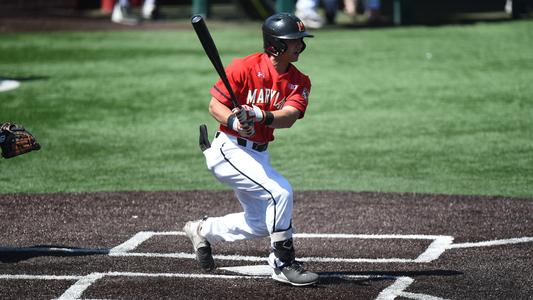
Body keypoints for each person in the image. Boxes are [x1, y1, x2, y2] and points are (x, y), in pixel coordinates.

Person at [183, 13, 319, 286]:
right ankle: (283, 263)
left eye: (300, 41)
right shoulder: (243, 67)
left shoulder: (299, 81)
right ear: (276, 45)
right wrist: (234, 120)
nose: (300, 46)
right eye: (294, 41)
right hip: (228, 151)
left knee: (260, 223)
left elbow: (289, 116)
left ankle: (202, 230)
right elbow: (215, 106)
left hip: (257, 154)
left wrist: (259, 115)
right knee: (280, 192)